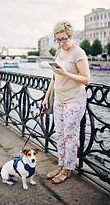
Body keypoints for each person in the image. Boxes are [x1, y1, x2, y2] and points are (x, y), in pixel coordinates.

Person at [42, 21, 90, 184]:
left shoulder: (79, 53)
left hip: (74, 101)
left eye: (63, 39)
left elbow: (86, 79)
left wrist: (66, 73)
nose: (61, 43)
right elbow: (54, 77)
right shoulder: (59, 53)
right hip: (59, 100)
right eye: (58, 39)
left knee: (70, 136)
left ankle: (68, 169)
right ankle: (61, 164)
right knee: (60, 135)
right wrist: (47, 96)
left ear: (71, 36)